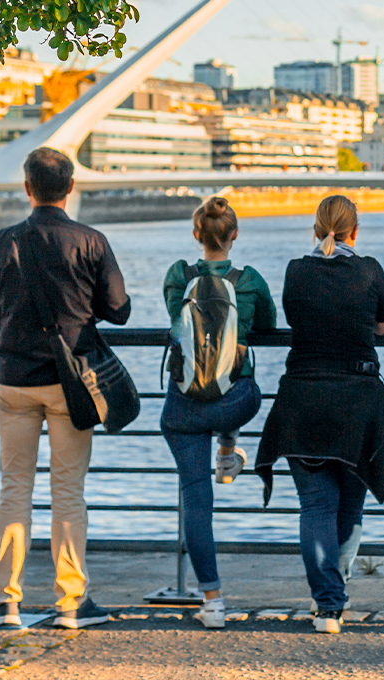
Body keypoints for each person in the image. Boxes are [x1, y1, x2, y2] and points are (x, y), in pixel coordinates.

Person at [0, 147, 130, 630]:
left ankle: (6, 603)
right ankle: (70, 603)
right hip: (71, 384)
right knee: (68, 492)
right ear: (71, 188)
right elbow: (119, 310)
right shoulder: (90, 241)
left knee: (14, 489)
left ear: (27, 188)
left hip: (15, 381)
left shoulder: (3, 242)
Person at [255, 195, 384, 635]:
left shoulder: (295, 270)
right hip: (356, 403)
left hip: (302, 399)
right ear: (354, 231)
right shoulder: (369, 269)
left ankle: (328, 606)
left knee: (315, 506)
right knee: (350, 504)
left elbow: (294, 317)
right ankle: (335, 592)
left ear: (315, 228)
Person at [159, 196, 276, 630]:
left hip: (183, 406)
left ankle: (212, 600)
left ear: (196, 236)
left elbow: (175, 318)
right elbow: (267, 323)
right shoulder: (249, 281)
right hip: (232, 401)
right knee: (252, 393)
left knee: (197, 502)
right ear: (234, 236)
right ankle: (228, 448)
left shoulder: (178, 276)